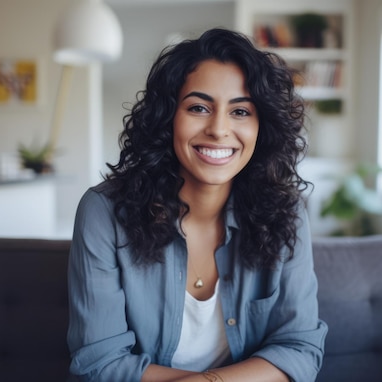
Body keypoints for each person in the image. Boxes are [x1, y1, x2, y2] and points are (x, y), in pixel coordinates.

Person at [67, 28, 327, 382]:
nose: (219, 129)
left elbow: (299, 348)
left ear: (261, 127)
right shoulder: (104, 212)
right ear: (168, 117)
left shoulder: (287, 213)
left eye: (240, 111)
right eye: (199, 107)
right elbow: (100, 364)